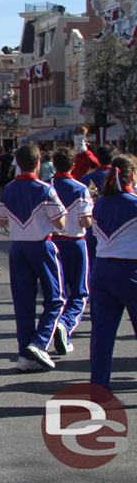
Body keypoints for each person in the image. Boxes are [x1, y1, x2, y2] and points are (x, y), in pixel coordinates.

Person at [0, 144, 67, 372]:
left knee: (23, 304)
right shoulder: (45, 189)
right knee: (55, 299)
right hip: (41, 245)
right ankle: (39, 343)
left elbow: (1, 220)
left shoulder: (8, 189)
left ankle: (24, 354)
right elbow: (60, 222)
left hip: (18, 247)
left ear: (17, 162)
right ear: (38, 163)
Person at [89, 154, 137, 391]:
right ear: (132, 176)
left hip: (101, 269)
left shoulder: (100, 203)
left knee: (101, 335)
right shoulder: (134, 202)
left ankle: (99, 388)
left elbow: (96, 236)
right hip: (130, 270)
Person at [49, 147, 93, 355]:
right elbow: (85, 220)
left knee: (58, 290)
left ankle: (55, 326)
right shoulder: (80, 188)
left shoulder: (46, 186)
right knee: (80, 291)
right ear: (73, 164)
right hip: (74, 242)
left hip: (52, 242)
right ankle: (65, 325)